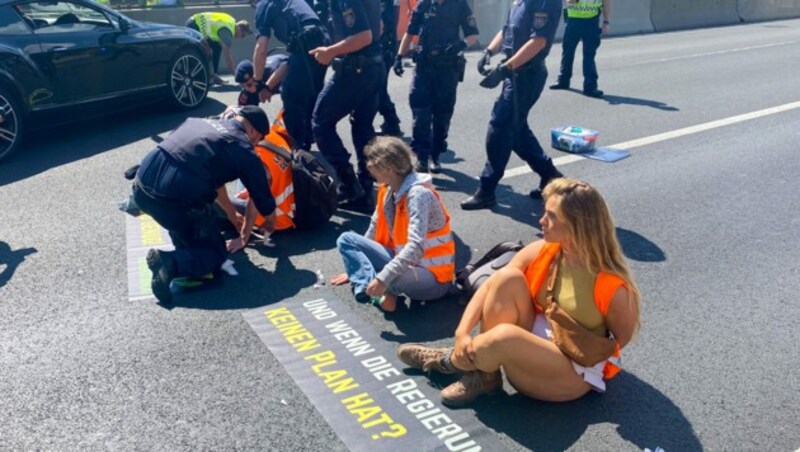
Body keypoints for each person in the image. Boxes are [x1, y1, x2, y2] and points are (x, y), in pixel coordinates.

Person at [397, 178, 641, 407]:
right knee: (506, 277)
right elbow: (493, 285)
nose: (541, 220)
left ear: (577, 227)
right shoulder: (545, 250)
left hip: (570, 373)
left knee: (505, 336)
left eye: (551, 216)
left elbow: (621, 340)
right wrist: (461, 333)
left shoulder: (612, 286)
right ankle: (485, 376)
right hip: (534, 342)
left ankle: (447, 361)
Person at [132, 106, 277, 304]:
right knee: (214, 254)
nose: (256, 144)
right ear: (253, 131)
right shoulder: (243, 148)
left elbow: (218, 184)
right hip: (171, 202)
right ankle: (169, 262)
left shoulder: (200, 122)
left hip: (141, 188)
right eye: (258, 139)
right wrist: (269, 221)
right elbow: (262, 197)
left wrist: (233, 216)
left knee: (198, 214)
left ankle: (185, 241)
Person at [330, 137, 455, 313]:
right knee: (347, 239)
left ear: (388, 169)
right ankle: (368, 288)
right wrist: (357, 267)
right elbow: (375, 224)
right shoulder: (388, 188)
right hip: (407, 264)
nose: (368, 168)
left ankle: (385, 293)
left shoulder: (419, 195)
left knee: (391, 276)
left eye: (371, 165)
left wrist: (382, 279)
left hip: (433, 277)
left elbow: (415, 247)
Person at [460, 0, 564, 210]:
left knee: (499, 127)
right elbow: (507, 30)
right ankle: (550, 176)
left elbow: (538, 41)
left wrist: (505, 69)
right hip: (515, 72)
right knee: (516, 130)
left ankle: (487, 189)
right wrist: (489, 52)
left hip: (527, 75)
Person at [309, 0, 384, 213]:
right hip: (373, 66)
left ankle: (349, 184)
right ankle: (366, 190)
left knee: (320, 122)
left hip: (356, 70)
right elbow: (379, 26)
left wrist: (330, 51)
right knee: (363, 127)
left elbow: (364, 35)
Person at [393, 0, 478, 173]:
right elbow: (410, 32)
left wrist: (459, 46)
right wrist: (399, 56)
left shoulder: (459, 4)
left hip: (447, 69)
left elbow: (472, 35)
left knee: (442, 115)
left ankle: (436, 154)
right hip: (424, 68)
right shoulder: (423, 5)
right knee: (420, 114)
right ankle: (421, 157)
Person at [252, 0, 329, 151]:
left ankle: (298, 151)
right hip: (322, 40)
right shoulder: (288, 4)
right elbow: (292, 61)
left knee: (292, 95)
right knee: (310, 95)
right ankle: (308, 139)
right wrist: (267, 86)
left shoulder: (264, 4)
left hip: (306, 42)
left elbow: (261, 48)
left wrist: (257, 81)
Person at [549, 0, 610, 98]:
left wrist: (606, 21)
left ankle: (590, 86)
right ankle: (563, 80)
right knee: (568, 51)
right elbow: (570, 1)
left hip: (592, 20)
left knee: (589, 55)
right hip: (573, 19)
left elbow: (607, 1)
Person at [186, 12, 252, 84]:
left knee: (217, 47)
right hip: (194, 25)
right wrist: (237, 76)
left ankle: (214, 76)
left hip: (195, 20)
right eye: (243, 35)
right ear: (239, 29)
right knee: (205, 50)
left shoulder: (231, 21)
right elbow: (228, 57)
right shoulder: (228, 31)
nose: (242, 38)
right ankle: (200, 77)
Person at [377, 0, 402, 137]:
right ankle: (391, 122)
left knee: (378, 87)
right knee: (379, 86)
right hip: (386, 45)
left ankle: (392, 122)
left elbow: (384, 25)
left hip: (384, 46)